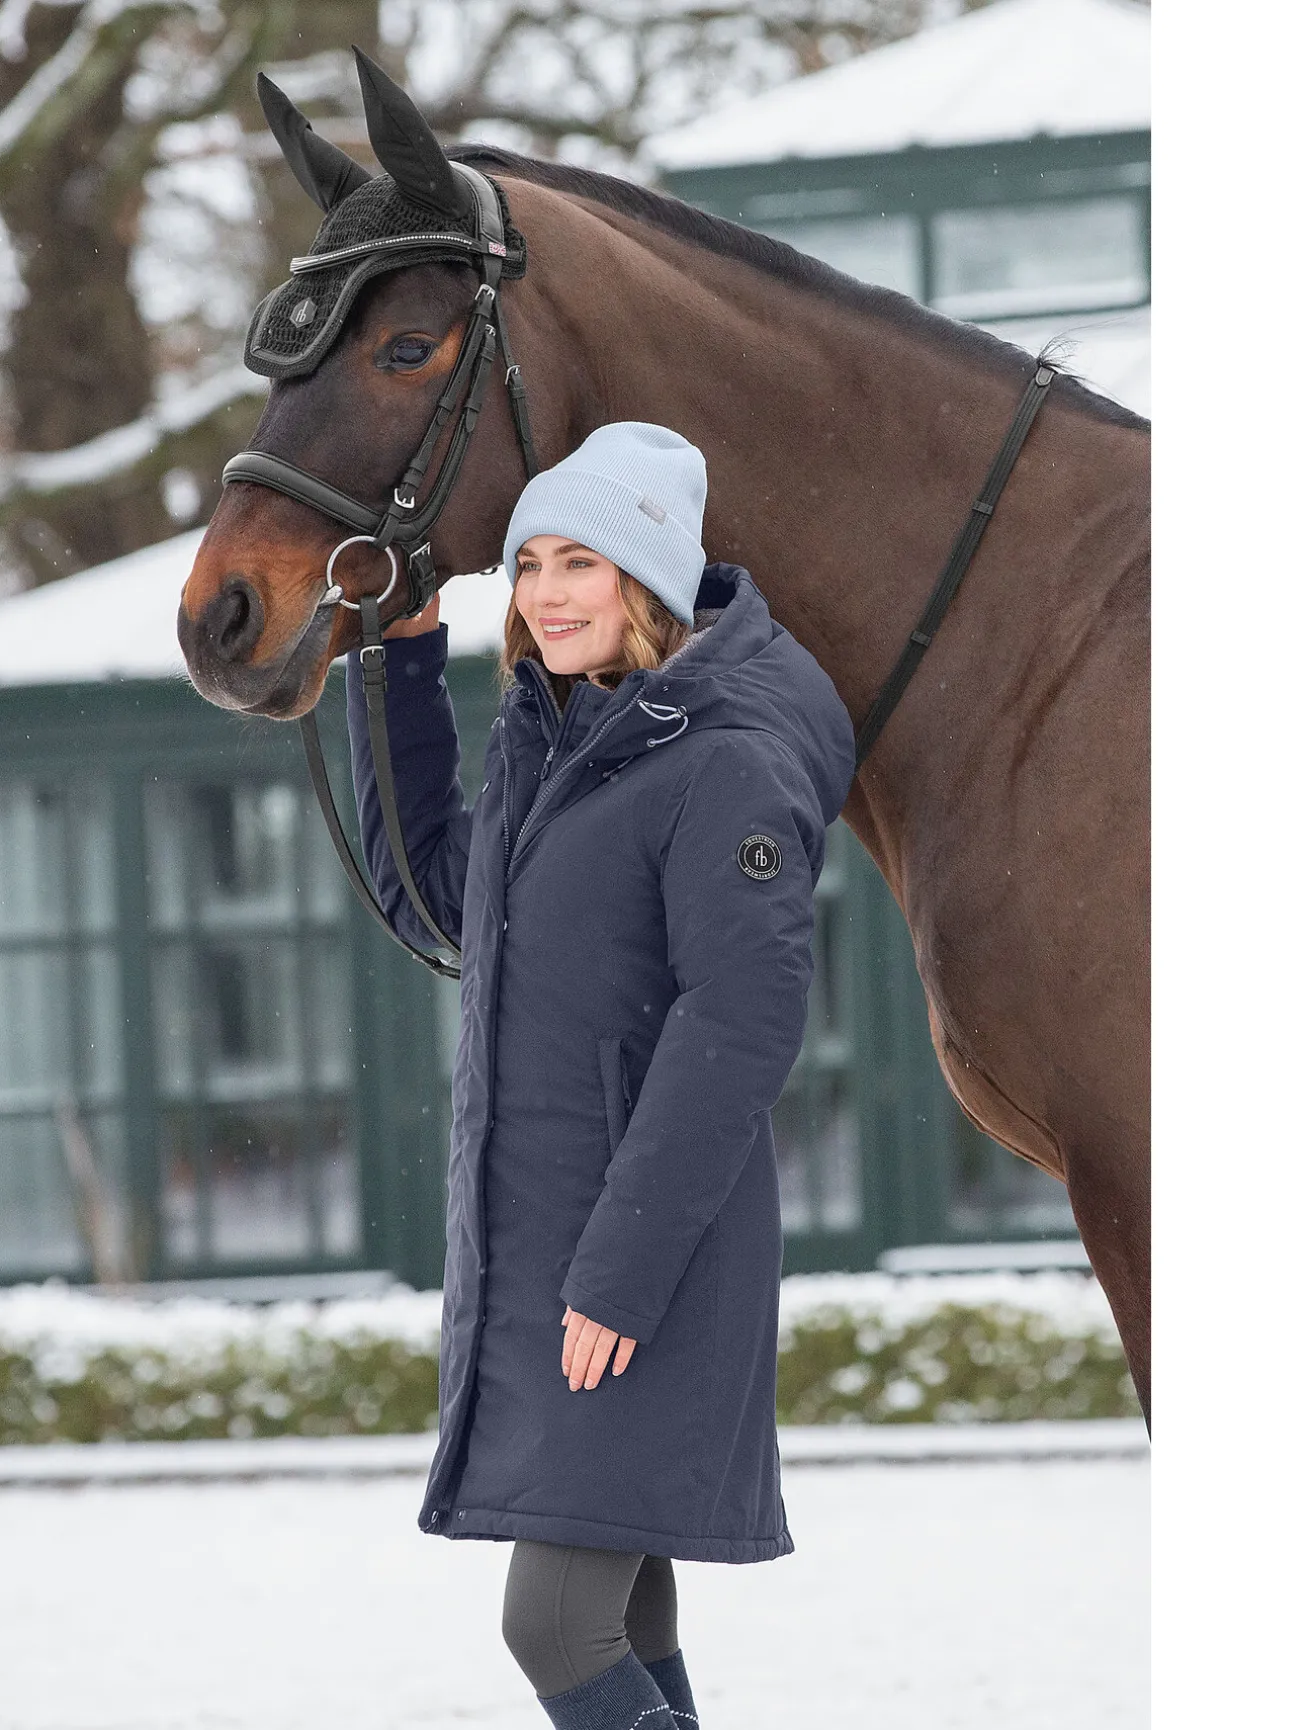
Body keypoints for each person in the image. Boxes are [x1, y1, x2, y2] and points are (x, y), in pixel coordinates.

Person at [344, 422, 855, 1727]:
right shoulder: (558, 744)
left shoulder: (720, 760)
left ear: (651, 580)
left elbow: (740, 1019)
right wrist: (398, 669)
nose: (546, 593)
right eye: (530, 564)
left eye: (583, 562)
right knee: (623, 1612)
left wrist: (621, 1268)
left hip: (643, 1264)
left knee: (555, 1622)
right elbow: (436, 898)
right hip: (555, 1256)